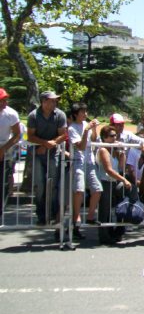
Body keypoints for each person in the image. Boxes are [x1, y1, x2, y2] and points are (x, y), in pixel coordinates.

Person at [27, 91, 67, 225]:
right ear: (43, 101)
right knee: (40, 185)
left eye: (55, 100)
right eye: (51, 100)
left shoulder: (60, 114)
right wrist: (44, 143)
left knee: (53, 184)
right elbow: (30, 136)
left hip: (53, 152)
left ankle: (53, 215)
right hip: (37, 152)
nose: (54, 103)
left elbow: (63, 135)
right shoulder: (33, 116)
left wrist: (50, 144)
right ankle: (41, 215)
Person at [67, 103, 102, 239]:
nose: (85, 114)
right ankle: (76, 218)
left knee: (97, 189)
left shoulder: (86, 125)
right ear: (76, 114)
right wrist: (86, 130)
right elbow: (81, 147)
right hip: (78, 161)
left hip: (90, 161)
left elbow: (94, 140)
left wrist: (93, 129)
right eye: (82, 112)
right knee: (79, 190)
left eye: (86, 111)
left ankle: (90, 216)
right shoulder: (72, 128)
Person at [96, 125, 130, 244]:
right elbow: (108, 170)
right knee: (105, 209)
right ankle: (104, 235)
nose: (115, 138)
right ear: (104, 138)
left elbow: (121, 167)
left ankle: (118, 230)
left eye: (116, 135)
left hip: (114, 181)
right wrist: (124, 180)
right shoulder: (103, 150)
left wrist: (122, 153)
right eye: (111, 136)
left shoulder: (114, 150)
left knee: (121, 203)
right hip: (104, 181)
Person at [0, 88, 20, 217]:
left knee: (1, 184)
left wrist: (4, 149)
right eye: (2, 101)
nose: (5, 103)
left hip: (3, 151)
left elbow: (18, 135)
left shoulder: (11, 114)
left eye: (6, 100)